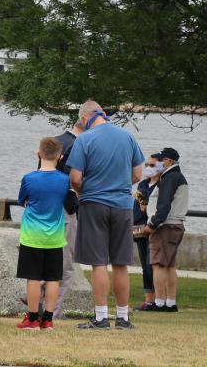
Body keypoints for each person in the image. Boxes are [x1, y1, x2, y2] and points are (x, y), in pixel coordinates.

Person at [66, 100, 144, 330]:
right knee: (121, 262)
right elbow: (138, 174)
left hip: (94, 204)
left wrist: (84, 192)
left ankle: (100, 317)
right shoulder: (127, 137)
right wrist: (119, 184)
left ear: (85, 116)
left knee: (98, 262)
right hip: (122, 205)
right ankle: (123, 318)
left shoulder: (84, 139)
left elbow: (75, 178)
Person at [16, 137, 70, 331]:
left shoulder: (29, 178)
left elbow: (22, 200)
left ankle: (31, 319)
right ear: (60, 156)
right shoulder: (65, 180)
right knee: (53, 278)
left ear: (38, 154)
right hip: (55, 237)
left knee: (33, 278)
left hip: (32, 236)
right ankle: (48, 319)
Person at [141, 147, 189, 312]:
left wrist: (153, 224)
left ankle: (160, 302)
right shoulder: (177, 177)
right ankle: (170, 302)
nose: (158, 163)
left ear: (169, 161)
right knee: (169, 265)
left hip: (164, 226)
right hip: (175, 224)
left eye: (161, 160)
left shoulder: (169, 178)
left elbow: (164, 204)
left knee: (158, 264)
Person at [49, 118, 85, 317]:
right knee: (66, 263)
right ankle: (54, 310)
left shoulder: (55, 141)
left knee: (50, 257)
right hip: (66, 207)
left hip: (46, 208)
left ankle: (36, 297)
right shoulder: (78, 146)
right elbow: (73, 180)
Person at [132, 156, 160, 311]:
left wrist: (144, 204)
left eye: (152, 165)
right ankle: (148, 300)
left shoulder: (161, 185)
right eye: (147, 164)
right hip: (139, 228)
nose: (148, 167)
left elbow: (151, 206)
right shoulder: (143, 183)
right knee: (145, 265)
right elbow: (138, 203)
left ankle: (159, 299)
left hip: (153, 228)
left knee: (152, 265)